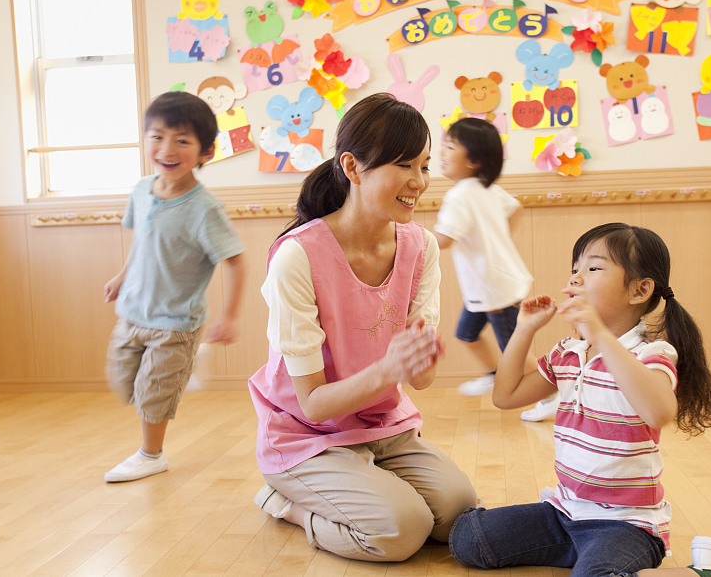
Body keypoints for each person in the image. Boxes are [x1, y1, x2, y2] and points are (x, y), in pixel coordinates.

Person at [449, 223, 711, 577]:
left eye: (592, 268)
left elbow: (659, 411)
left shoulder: (651, 353)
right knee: (469, 539)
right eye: (574, 269)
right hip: (564, 512)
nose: (576, 277)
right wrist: (525, 328)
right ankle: (583, 554)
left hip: (625, 525)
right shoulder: (569, 351)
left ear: (640, 290)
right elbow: (506, 395)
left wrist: (600, 335)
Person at [248, 93, 477, 562]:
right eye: (404, 166)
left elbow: (421, 380)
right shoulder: (298, 257)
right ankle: (287, 503)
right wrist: (389, 369)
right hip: (305, 434)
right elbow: (312, 404)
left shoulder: (421, 246)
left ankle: (368, 480)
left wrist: (418, 362)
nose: (419, 182)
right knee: (401, 530)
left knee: (458, 511)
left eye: (425, 166)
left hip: (382, 425)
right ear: (352, 166)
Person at [102, 91, 246, 483]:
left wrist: (230, 317)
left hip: (176, 322)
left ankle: (151, 454)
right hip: (132, 311)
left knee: (152, 395)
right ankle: (177, 376)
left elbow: (234, 261)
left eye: (182, 140)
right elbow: (143, 243)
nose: (167, 148)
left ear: (205, 151)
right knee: (121, 382)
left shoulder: (205, 209)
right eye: (158, 136)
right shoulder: (141, 191)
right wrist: (122, 276)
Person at [433, 118, 559, 421]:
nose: (441, 152)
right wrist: (498, 241)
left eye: (450, 146)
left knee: (513, 345)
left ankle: (550, 395)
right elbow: (516, 208)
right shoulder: (485, 189)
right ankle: (493, 373)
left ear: (474, 160)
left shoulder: (460, 194)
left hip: (494, 288)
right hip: (489, 284)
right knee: (466, 333)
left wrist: (409, 240)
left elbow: (445, 239)